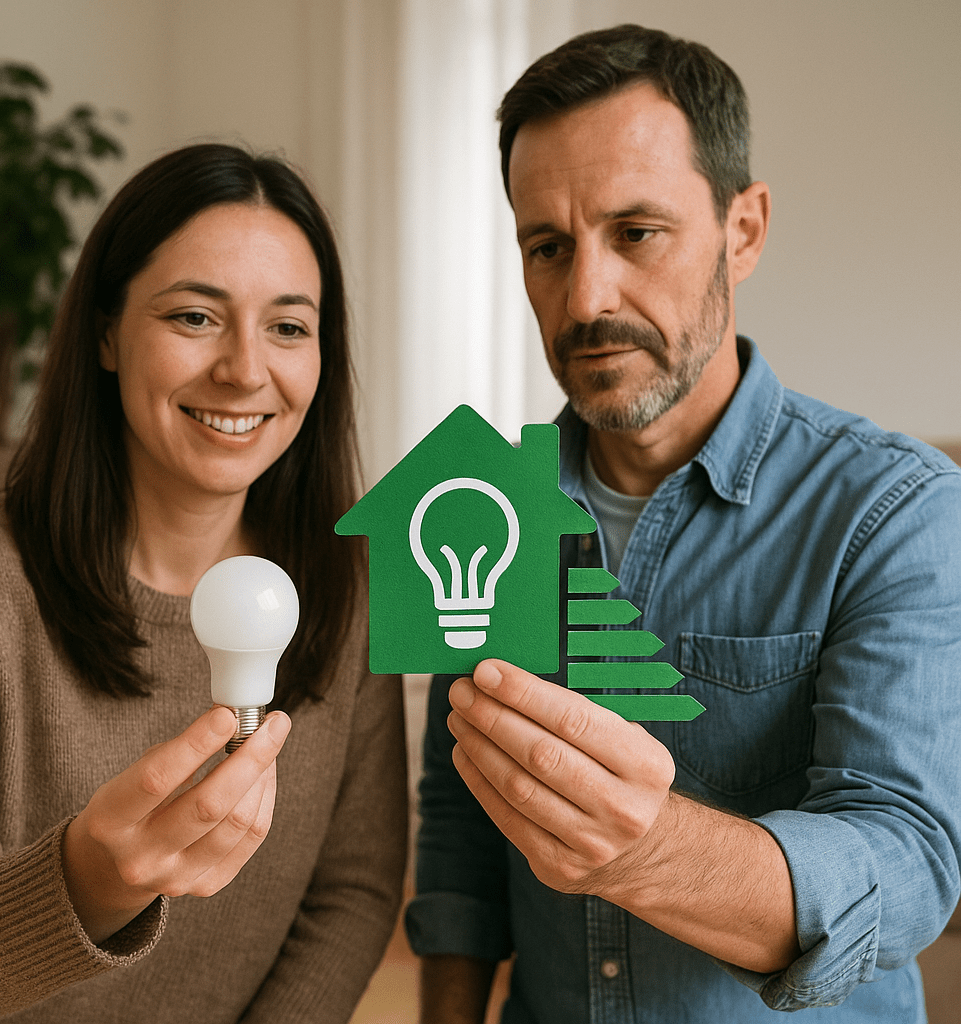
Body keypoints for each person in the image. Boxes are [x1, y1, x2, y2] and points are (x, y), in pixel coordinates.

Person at [406, 24, 961, 1023]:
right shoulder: (488, 508)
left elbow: (907, 861)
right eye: (547, 247)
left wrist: (645, 845)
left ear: (741, 229)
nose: (585, 298)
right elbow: (459, 835)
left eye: (636, 232)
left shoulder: (894, 509)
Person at [0, 143, 407, 1023]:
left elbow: (352, 895)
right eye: (195, 317)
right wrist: (92, 882)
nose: (243, 369)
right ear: (107, 332)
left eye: (289, 326)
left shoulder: (354, 590)